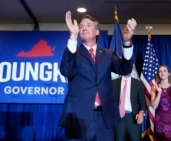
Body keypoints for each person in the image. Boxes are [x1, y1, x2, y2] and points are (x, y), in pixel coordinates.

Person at [58, 10, 137, 141]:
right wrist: (72, 36)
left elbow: (125, 69)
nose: (84, 28)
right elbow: (66, 71)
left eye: (88, 25)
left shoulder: (107, 54)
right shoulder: (73, 53)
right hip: (80, 118)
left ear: (97, 31)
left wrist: (127, 42)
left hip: (104, 118)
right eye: (81, 26)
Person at [150, 65, 171, 141]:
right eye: (160, 71)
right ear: (158, 74)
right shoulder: (154, 88)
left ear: (168, 73)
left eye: (164, 71)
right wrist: (159, 93)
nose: (162, 73)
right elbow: (154, 106)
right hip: (160, 123)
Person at [112, 73, 146, 141]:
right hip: (118, 119)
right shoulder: (113, 82)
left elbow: (142, 101)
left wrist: (141, 113)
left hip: (133, 118)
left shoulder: (138, 83)